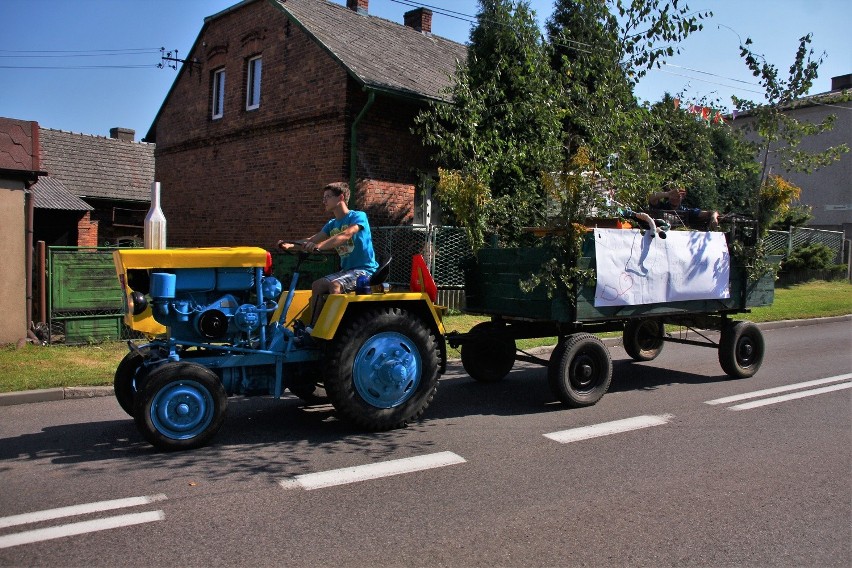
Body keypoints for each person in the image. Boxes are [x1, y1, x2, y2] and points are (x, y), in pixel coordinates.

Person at [278, 182, 379, 330]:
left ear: (341, 198)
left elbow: (346, 234)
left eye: (328, 197)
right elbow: (312, 240)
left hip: (364, 271)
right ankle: (312, 329)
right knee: (317, 285)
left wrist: (319, 246)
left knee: (335, 285)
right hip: (346, 271)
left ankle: (334, 330)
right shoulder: (332, 224)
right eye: (324, 197)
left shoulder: (358, 216)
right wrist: (290, 245)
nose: (324, 200)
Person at [648, 186, 719, 229]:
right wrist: (668, 194)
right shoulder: (662, 206)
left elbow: (712, 212)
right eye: (673, 195)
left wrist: (714, 217)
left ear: (683, 197)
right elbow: (652, 198)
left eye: (678, 196)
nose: (675, 198)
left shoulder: (687, 211)